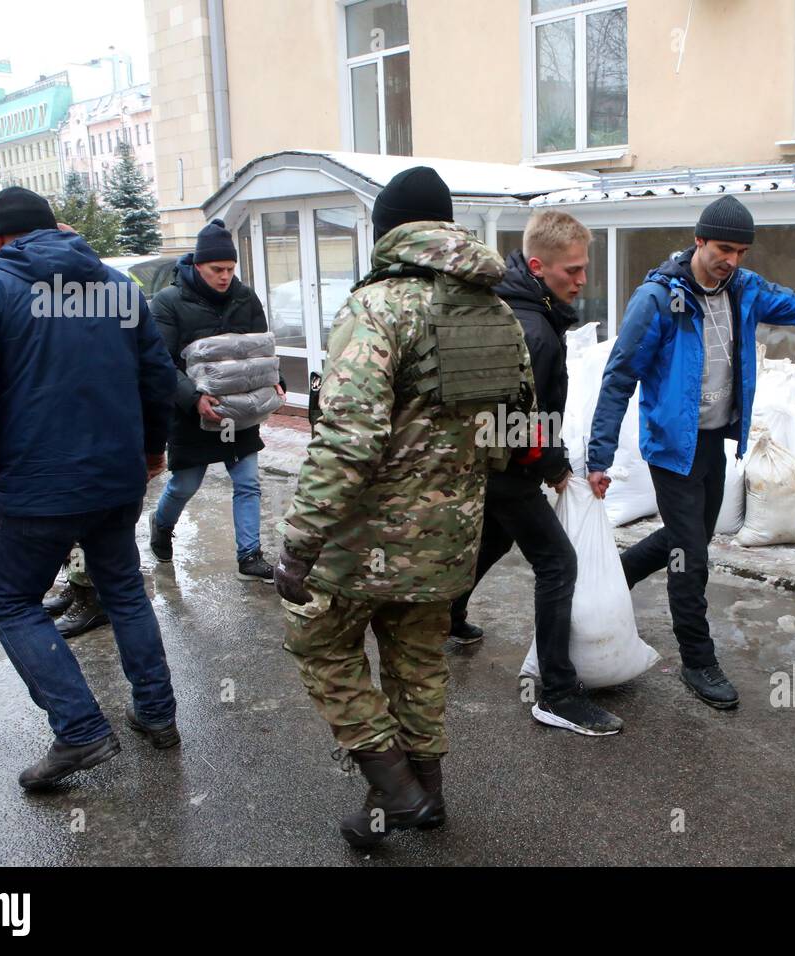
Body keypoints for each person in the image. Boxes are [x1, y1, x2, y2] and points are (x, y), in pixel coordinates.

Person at [275, 166, 534, 849]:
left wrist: (300, 540)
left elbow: (348, 439)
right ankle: (426, 796)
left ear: (386, 231)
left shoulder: (379, 306)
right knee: (418, 658)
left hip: (365, 534)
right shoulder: (497, 311)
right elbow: (517, 431)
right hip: (451, 535)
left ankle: (394, 787)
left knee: (318, 640)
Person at [587, 196, 795, 710]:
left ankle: (617, 575)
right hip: (671, 448)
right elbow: (619, 378)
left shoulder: (744, 290)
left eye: (742, 251)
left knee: (691, 535)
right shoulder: (659, 299)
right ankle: (698, 662)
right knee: (690, 558)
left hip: (713, 441)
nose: (733, 260)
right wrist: (599, 456)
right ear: (699, 240)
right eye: (725, 248)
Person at [0, 187, 182, 790]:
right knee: (122, 590)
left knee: (10, 601)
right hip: (115, 477)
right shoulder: (120, 289)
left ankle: (79, 728)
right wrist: (150, 452)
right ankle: (157, 713)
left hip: (40, 486)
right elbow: (156, 378)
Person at [449, 210, 623, 736]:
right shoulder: (533, 329)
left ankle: (444, 617)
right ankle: (558, 692)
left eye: (583, 268)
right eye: (572, 270)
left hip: (493, 460)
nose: (582, 279)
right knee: (558, 564)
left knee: (494, 542)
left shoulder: (522, 308)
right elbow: (517, 418)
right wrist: (555, 466)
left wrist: (552, 458)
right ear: (537, 265)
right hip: (506, 466)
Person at [148, 219, 283, 582]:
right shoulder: (168, 303)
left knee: (248, 482)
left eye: (230, 269)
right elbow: (160, 362)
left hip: (239, 412)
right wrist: (193, 399)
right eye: (217, 269)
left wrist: (277, 381)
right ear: (196, 266)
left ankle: (250, 555)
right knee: (185, 485)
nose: (225, 276)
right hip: (192, 414)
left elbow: (260, 352)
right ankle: (161, 524)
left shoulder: (245, 298)